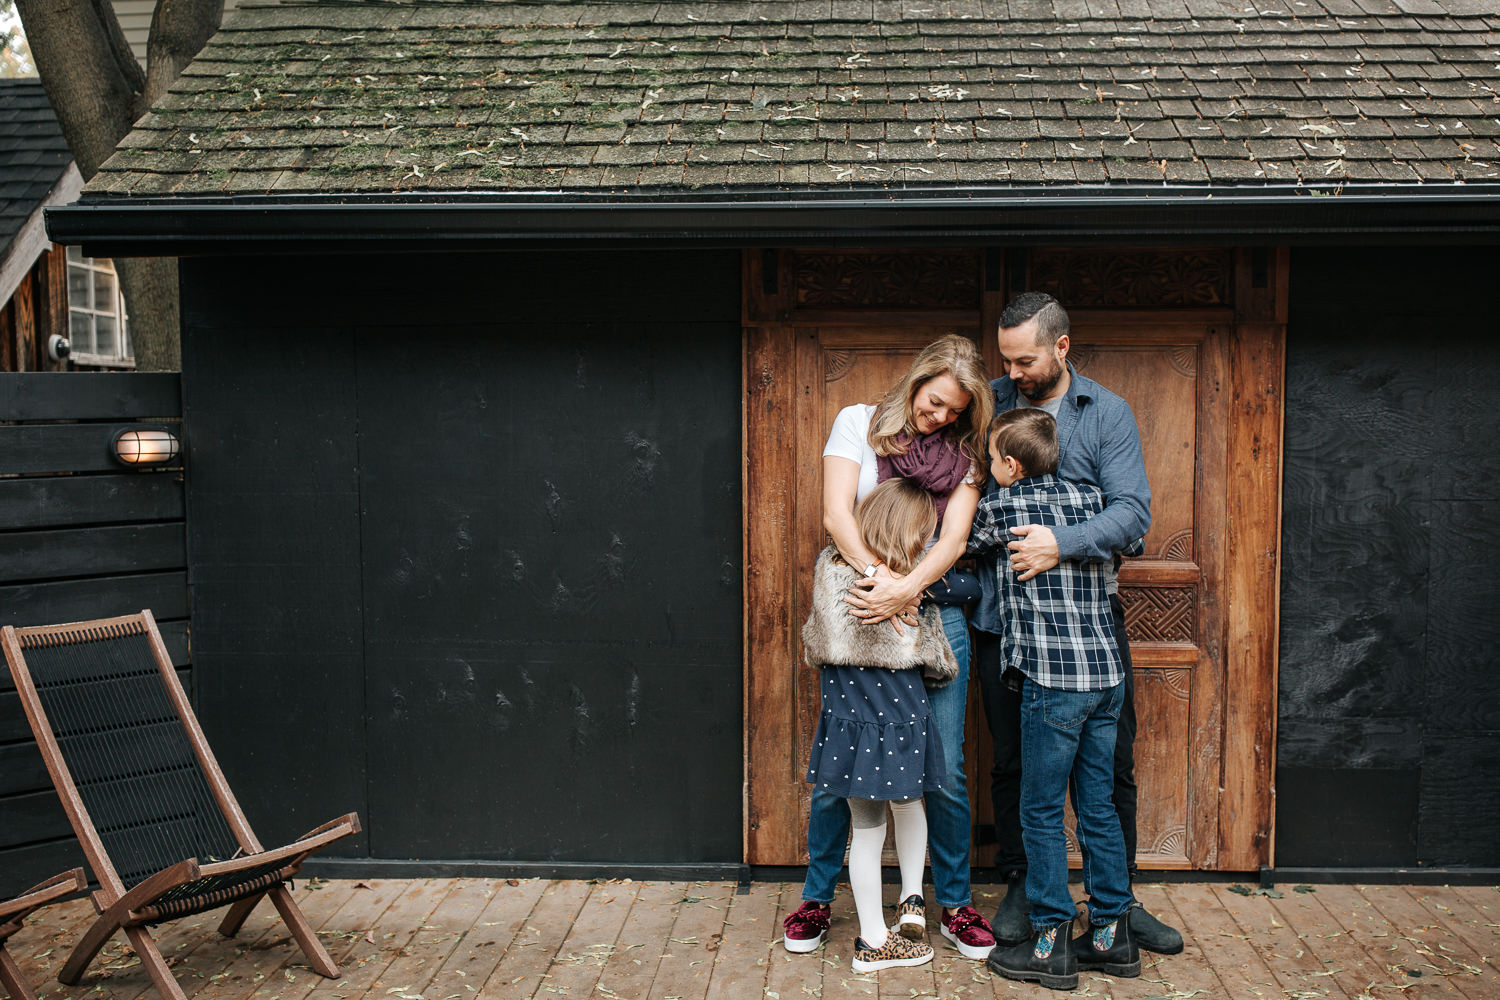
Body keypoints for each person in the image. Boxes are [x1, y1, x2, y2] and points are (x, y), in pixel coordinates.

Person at [972, 292, 1182, 956]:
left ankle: (1111, 905)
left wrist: (1059, 543)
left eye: (1025, 360)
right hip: (1006, 624)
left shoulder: (1106, 413)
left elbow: (1133, 516)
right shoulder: (993, 402)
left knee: (1111, 768)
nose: (1013, 373)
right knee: (1012, 762)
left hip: (1087, 629)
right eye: (1005, 360)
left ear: (1061, 348)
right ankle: (1027, 887)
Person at [782, 334, 997, 960]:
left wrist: (907, 590)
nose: (940, 419)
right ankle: (818, 898)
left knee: (944, 769)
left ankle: (951, 906)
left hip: (931, 609)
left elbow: (953, 539)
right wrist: (882, 581)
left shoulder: (968, 456)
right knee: (840, 763)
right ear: (914, 384)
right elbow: (836, 515)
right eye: (933, 404)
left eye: (954, 412)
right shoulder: (858, 423)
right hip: (859, 604)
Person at [969, 408, 1141, 990]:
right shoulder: (1093, 499)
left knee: (1040, 810)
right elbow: (1133, 534)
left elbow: (963, 543)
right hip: (1107, 676)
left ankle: (1049, 942)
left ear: (1011, 466)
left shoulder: (1001, 506)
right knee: (1096, 806)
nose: (987, 470)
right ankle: (1111, 936)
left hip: (1054, 680)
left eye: (991, 460)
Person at [800, 479, 960, 972]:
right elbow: (933, 656)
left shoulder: (831, 568)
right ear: (914, 531)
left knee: (865, 831)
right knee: (908, 807)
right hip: (901, 718)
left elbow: (816, 640)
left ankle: (876, 928)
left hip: (849, 724)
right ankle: (876, 942)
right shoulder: (905, 581)